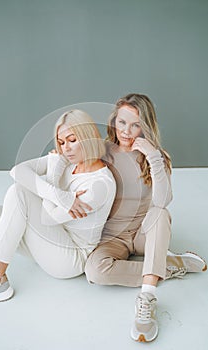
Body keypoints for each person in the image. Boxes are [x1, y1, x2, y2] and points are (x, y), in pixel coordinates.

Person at [83, 93, 207, 342]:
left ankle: (147, 299)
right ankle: (170, 266)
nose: (126, 131)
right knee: (94, 272)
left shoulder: (157, 156)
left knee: (161, 214)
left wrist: (153, 157)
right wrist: (57, 156)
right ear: (113, 122)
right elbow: (74, 165)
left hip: (143, 233)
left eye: (135, 124)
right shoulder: (102, 151)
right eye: (121, 122)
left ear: (146, 126)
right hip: (112, 237)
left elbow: (162, 201)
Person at [0, 109, 116, 307]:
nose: (65, 148)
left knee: (19, 193)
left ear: (88, 136)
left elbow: (48, 217)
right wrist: (61, 195)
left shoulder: (99, 185)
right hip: (46, 241)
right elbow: (18, 171)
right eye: (61, 142)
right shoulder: (67, 161)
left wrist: (53, 173)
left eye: (72, 139)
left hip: (69, 256)